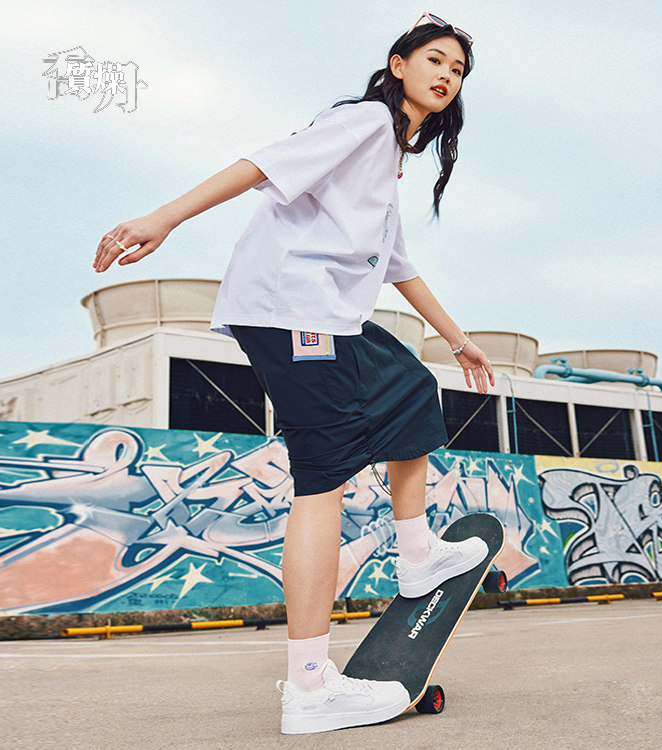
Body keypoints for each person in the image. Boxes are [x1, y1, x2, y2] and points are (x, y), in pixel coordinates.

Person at [93, 12, 495, 735]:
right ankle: (310, 687)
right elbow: (264, 163)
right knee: (323, 475)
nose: (446, 75)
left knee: (412, 390)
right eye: (435, 60)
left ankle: (416, 555)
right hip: (292, 311)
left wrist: (459, 341)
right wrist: (165, 218)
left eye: (457, 70)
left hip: (323, 317)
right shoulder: (365, 122)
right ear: (399, 65)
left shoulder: (386, 159)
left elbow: (398, 266)